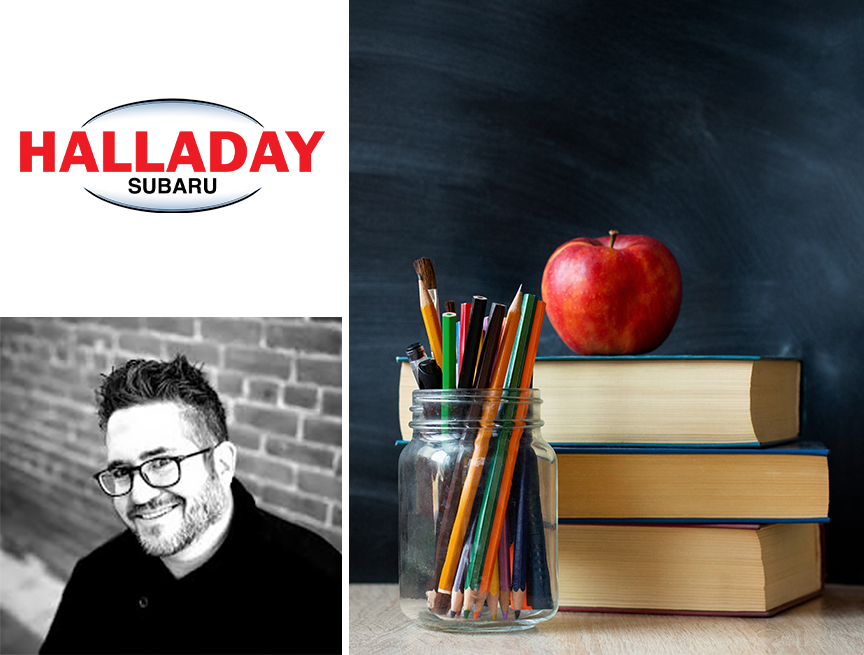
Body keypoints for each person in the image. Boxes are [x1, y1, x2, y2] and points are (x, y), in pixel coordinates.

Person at [40, 355, 342, 654]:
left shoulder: (321, 589)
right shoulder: (96, 579)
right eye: (121, 471)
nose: (140, 496)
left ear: (222, 465)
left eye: (161, 462)